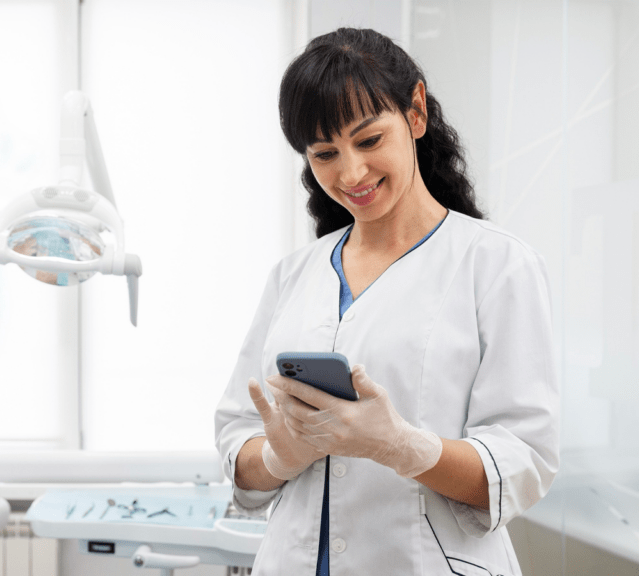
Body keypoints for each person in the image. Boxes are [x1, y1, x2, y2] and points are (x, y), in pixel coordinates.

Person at [214, 28, 559, 575]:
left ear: (415, 112)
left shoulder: (495, 264)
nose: (351, 174)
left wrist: (402, 446)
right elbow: (238, 448)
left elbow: (524, 461)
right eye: (325, 154)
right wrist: (282, 456)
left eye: (369, 140)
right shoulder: (293, 276)